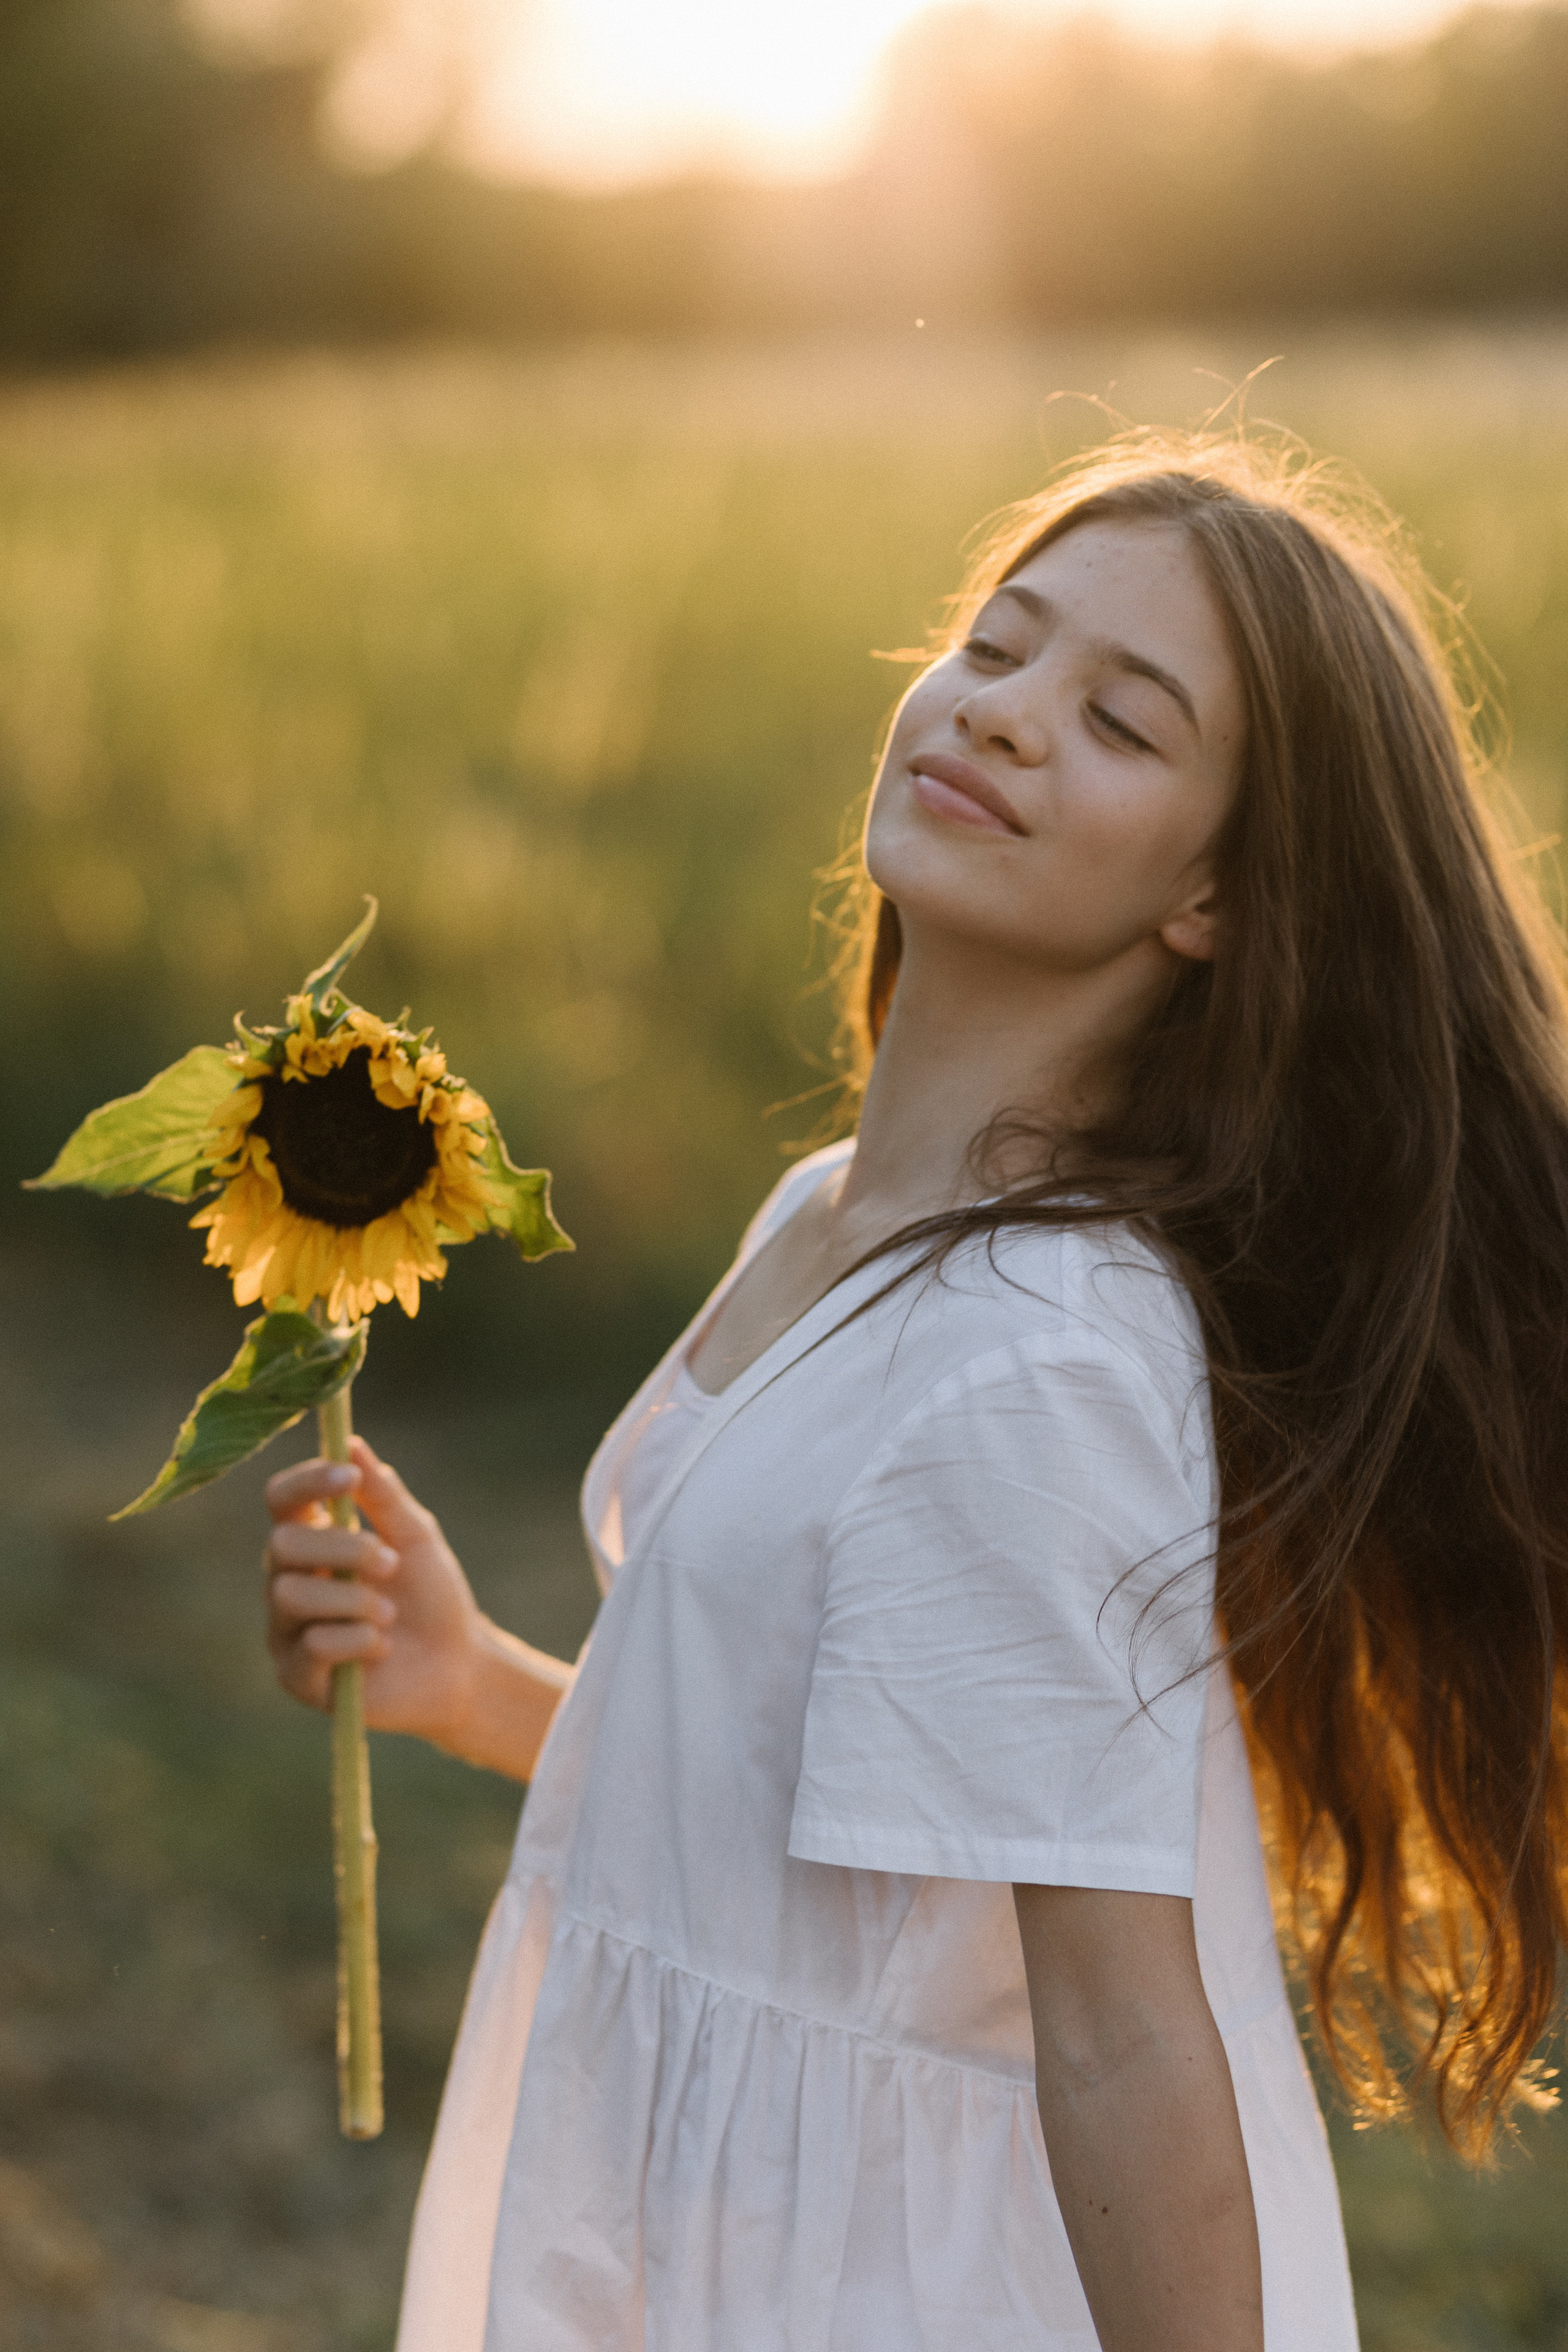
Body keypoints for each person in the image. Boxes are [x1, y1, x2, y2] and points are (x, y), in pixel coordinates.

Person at [263, 432, 1568, 2352]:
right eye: (999, 645)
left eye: (1122, 722)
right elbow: (842, 1847)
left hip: (876, 2285)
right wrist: (482, 1688)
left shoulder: (1037, 1353)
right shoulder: (832, 1215)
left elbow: (1127, 2039)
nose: (1009, 716)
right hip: (701, 2217)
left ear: (1213, 898)